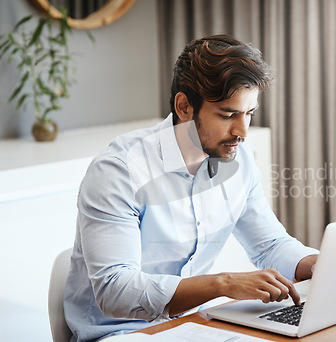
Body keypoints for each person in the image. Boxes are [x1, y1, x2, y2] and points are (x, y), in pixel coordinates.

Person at [64, 35, 318, 342]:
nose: (242, 132)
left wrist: (316, 264)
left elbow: (270, 245)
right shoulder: (118, 171)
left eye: (249, 114)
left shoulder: (240, 161)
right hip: (121, 334)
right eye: (228, 115)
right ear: (184, 106)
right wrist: (223, 283)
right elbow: (115, 289)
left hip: (196, 325)